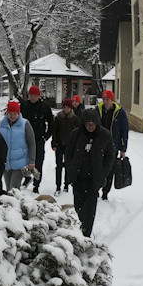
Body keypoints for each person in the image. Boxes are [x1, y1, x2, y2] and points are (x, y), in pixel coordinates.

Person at [64, 108, 115, 237]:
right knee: (78, 206)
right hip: (78, 177)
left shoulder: (105, 135)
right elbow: (68, 153)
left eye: (93, 124)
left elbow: (110, 155)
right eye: (87, 124)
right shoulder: (76, 134)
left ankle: (86, 234)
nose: (90, 126)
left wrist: (104, 172)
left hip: (94, 178)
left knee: (90, 208)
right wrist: (71, 167)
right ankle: (79, 228)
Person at [20, 85, 54, 194]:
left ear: (38, 96)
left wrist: (46, 137)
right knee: (25, 160)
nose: (32, 98)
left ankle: (36, 184)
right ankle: (26, 177)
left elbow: (51, 123)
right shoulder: (24, 105)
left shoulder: (44, 107)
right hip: (25, 138)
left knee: (38, 162)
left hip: (39, 138)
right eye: (31, 96)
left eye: (34, 96)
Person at [98, 89, 130, 200]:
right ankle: (96, 188)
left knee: (110, 170)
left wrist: (123, 148)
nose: (106, 102)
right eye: (104, 99)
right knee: (97, 168)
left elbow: (124, 131)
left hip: (113, 146)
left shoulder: (119, 112)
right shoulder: (98, 110)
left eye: (108, 99)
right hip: (99, 145)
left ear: (112, 100)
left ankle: (105, 192)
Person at [0, 101, 36, 191]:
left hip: (20, 162)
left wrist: (31, 160)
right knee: (8, 189)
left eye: (15, 114)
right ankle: (12, 204)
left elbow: (31, 143)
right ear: (7, 113)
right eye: (10, 114)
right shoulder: (2, 125)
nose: (12, 116)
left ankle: (15, 204)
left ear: (19, 113)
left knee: (14, 188)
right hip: (6, 163)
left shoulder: (25, 124)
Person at [51, 98, 81, 195]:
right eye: (64, 107)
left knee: (68, 166)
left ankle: (66, 184)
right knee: (59, 166)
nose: (66, 109)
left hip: (70, 146)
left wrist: (76, 145)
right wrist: (54, 143)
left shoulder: (75, 119)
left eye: (68, 107)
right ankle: (58, 185)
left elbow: (78, 133)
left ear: (71, 108)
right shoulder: (58, 117)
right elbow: (54, 132)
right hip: (59, 145)